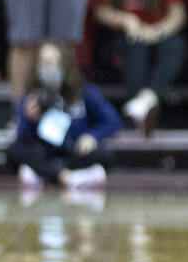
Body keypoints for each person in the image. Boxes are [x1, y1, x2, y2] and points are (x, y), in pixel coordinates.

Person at [91, 0, 188, 136]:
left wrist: (157, 31)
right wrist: (126, 20)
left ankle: (144, 101)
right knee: (134, 46)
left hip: (159, 32)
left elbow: (177, 14)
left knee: (174, 47)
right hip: (124, 36)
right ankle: (142, 108)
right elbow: (99, 10)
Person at [8, 41, 122, 190]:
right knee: (14, 152)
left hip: (75, 152)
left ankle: (45, 175)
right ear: (37, 67)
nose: (50, 68)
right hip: (44, 154)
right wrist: (29, 119)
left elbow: (113, 121)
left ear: (65, 64)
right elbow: (22, 140)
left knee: (106, 156)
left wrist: (91, 136)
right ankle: (67, 177)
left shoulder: (84, 92)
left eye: (55, 63)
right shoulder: (29, 99)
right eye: (44, 63)